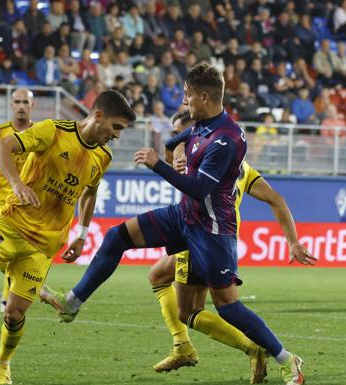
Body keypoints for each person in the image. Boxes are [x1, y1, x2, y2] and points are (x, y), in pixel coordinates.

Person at [37, 63, 307, 385]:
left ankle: (288, 360)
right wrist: (173, 156)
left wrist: (158, 166)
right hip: (184, 217)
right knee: (116, 237)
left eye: (188, 95)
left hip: (212, 232)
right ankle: (72, 302)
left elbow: (199, 188)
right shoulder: (201, 125)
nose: (184, 101)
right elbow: (174, 142)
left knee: (228, 308)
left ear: (204, 97)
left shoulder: (226, 139)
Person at [0, 90, 136, 385]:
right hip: (10, 225)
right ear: (98, 116)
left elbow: (90, 192)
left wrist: (82, 233)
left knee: (14, 313)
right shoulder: (53, 131)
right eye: (116, 127)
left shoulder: (102, 157)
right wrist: (17, 184)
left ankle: (1, 365)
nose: (117, 136)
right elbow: (1, 147)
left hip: (42, 247)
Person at [139, 110, 316, 379]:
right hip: (221, 239)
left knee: (197, 309)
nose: (177, 141)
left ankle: (255, 348)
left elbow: (193, 185)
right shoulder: (239, 166)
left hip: (200, 236)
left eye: (179, 135)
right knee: (161, 277)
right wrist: (293, 241)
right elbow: (277, 199)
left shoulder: (197, 162)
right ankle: (185, 345)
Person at [0, 88, 34, 313]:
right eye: (17, 102)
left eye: (25, 102)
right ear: (12, 105)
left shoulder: (39, 133)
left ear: (32, 106)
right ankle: (12, 292)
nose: (21, 106)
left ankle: (6, 298)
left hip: (28, 203)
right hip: (3, 201)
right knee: (1, 253)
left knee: (15, 253)